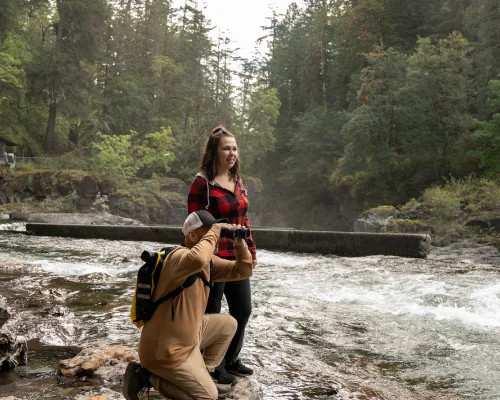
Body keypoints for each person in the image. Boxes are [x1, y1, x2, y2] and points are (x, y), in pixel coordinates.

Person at [123, 210, 253, 400]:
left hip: (188, 339)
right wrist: (216, 229)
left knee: (229, 324)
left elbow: (243, 271)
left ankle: (204, 373)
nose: (215, 238)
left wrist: (239, 244)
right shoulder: (177, 257)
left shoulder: (208, 262)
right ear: (192, 236)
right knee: (208, 396)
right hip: (165, 352)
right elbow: (197, 258)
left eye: (215, 233)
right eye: (208, 232)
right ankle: (148, 377)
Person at [188, 125, 257, 385]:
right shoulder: (202, 184)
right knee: (213, 313)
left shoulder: (237, 181)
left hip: (238, 257)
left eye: (235, 148)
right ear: (214, 152)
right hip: (213, 260)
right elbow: (196, 225)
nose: (232, 153)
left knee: (243, 309)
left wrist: (250, 251)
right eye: (226, 148)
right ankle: (210, 366)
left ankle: (231, 359)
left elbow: (244, 220)